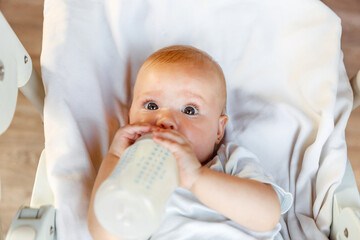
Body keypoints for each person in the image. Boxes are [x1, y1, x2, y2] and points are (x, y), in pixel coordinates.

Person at [88, 45, 292, 240]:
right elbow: (107, 235)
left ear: (219, 130)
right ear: (129, 116)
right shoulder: (135, 173)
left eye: (189, 110)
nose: (165, 120)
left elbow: (267, 215)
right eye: (151, 105)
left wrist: (196, 178)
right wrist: (114, 158)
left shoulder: (229, 161)